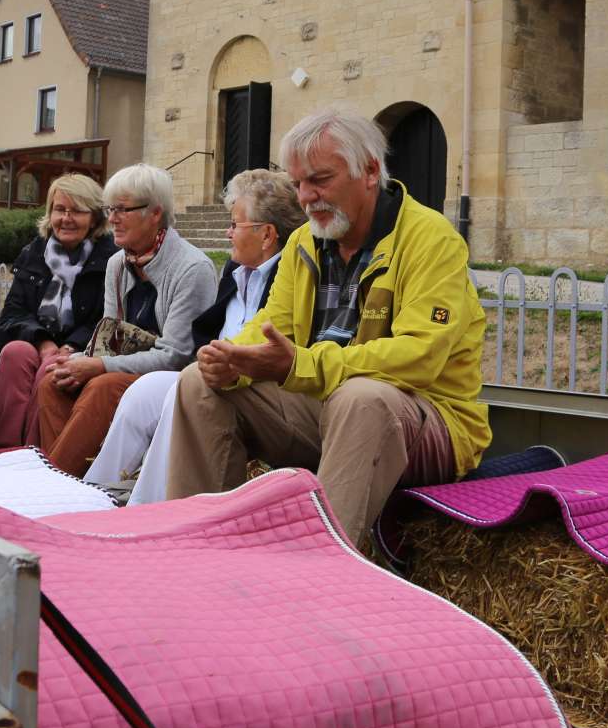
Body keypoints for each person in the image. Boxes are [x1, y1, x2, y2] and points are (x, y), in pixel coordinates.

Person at [163, 108, 491, 547]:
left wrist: (299, 365)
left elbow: (419, 360)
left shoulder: (431, 239)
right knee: (197, 383)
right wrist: (231, 359)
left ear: (370, 171)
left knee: (362, 399)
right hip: (328, 408)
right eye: (298, 183)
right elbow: (269, 327)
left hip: (430, 418)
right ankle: (197, 548)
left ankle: (321, 572)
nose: (306, 196)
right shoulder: (304, 241)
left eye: (320, 180)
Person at [85, 169, 303, 503]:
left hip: (252, 388)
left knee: (185, 392)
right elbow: (207, 336)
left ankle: (150, 512)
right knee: (143, 393)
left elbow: (270, 352)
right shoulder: (235, 272)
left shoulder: (285, 277)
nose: (227, 233)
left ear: (267, 235)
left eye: (234, 225)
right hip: (213, 375)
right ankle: (94, 495)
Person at [33, 163, 217, 476]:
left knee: (103, 386)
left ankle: (50, 482)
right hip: (128, 369)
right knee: (54, 380)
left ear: (155, 213)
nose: (111, 218)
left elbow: (176, 356)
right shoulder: (118, 263)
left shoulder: (192, 269)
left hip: (174, 380)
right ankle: (71, 480)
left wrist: (98, 366)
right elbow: (109, 338)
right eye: (109, 208)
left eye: (122, 209)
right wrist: (78, 360)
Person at [0, 174, 116, 448]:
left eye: (77, 210)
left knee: (51, 366)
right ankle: (4, 448)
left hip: (83, 349)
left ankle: (34, 452)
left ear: (95, 217)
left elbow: (106, 318)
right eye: (60, 209)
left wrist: (70, 345)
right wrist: (43, 341)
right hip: (39, 342)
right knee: (14, 353)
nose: (66, 218)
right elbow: (12, 312)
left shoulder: (110, 258)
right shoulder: (34, 253)